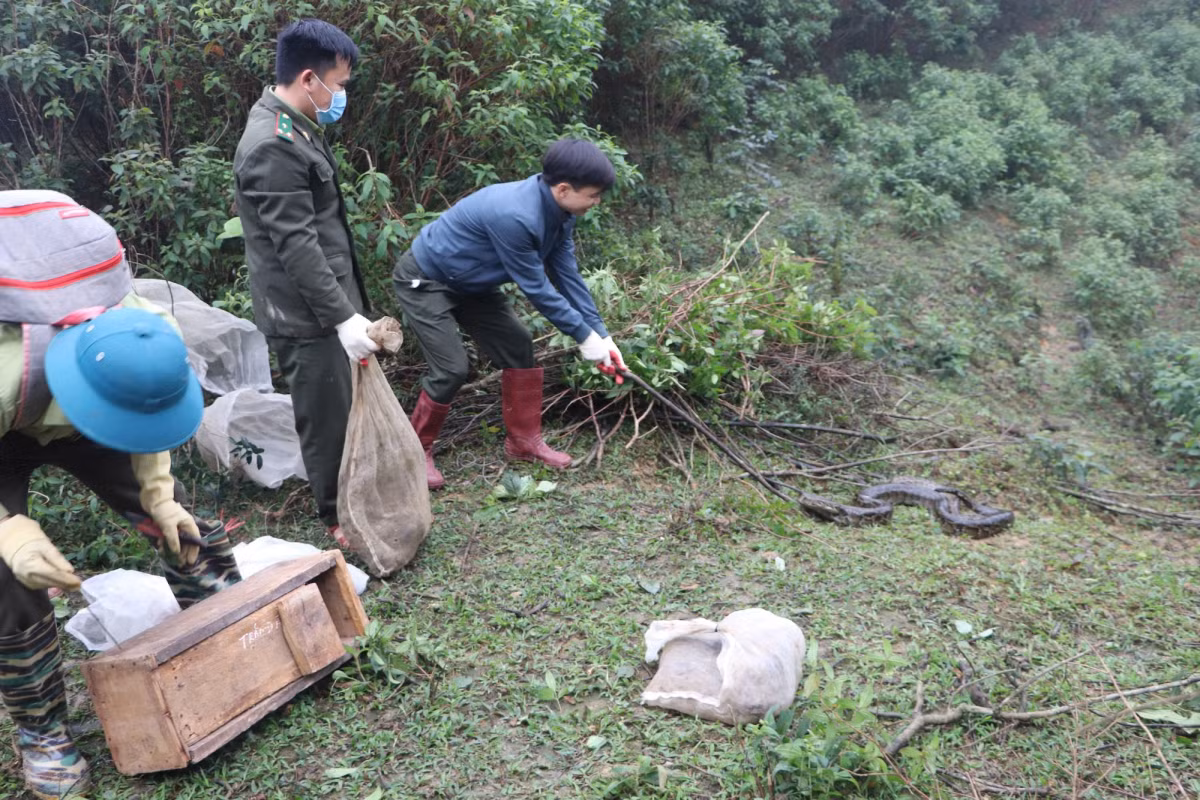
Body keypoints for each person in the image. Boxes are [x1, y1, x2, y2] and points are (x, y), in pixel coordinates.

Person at [0, 299, 242, 799]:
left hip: (86, 401)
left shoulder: (149, 332)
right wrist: (7, 530)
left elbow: (147, 415)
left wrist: (157, 494)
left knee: (173, 522)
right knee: (7, 574)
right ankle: (43, 734)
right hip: (12, 412)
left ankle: (238, 640)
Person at [393, 138, 625, 490]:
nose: (597, 202)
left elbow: (566, 274)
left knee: (518, 345)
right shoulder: (516, 215)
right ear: (563, 189)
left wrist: (601, 335)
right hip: (426, 279)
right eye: (593, 195)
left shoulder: (562, 213)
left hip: (472, 283)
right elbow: (538, 289)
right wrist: (583, 337)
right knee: (452, 367)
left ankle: (523, 443)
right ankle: (414, 453)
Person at [234, 19, 379, 545]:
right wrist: (340, 317)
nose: (340, 95)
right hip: (304, 313)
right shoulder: (273, 144)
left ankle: (358, 500)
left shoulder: (297, 128)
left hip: (326, 302)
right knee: (327, 420)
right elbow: (296, 245)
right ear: (309, 78)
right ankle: (341, 519)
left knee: (343, 409)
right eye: (337, 85)